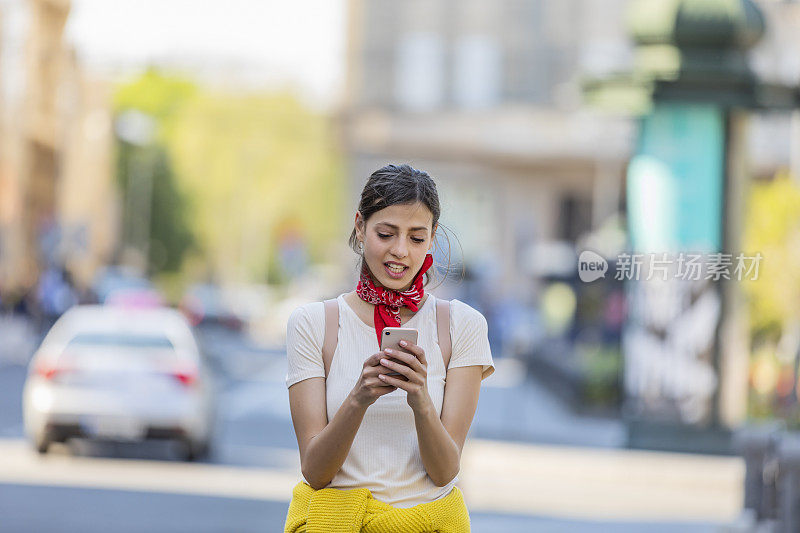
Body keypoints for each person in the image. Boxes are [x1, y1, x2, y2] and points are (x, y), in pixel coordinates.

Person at [284, 164, 495, 532]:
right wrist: (359, 398)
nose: (400, 251)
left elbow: (445, 471)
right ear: (360, 227)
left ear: (432, 240)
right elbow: (315, 472)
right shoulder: (314, 324)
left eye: (416, 238)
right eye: (386, 233)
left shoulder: (462, 326)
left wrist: (420, 399)